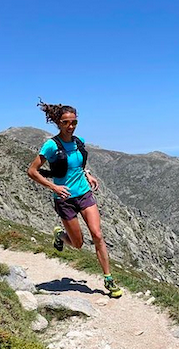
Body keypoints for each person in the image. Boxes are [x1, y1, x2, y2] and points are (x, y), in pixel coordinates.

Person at [27, 100, 122, 298]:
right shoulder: (51, 145)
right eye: (66, 123)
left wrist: (87, 174)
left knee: (97, 235)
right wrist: (53, 186)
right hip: (65, 199)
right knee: (77, 244)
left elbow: (77, 164)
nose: (70, 126)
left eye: (74, 122)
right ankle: (60, 235)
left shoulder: (78, 142)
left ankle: (108, 279)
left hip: (84, 193)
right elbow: (32, 171)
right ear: (58, 123)